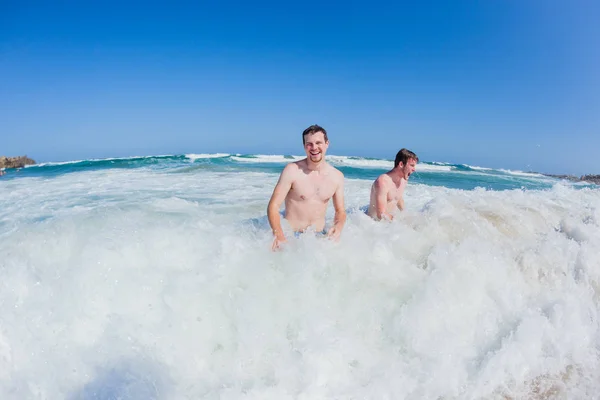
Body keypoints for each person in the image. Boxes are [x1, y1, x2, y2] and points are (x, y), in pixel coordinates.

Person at [267, 125, 346, 250]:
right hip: (291, 236)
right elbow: (273, 206)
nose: (314, 148)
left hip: (319, 236)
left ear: (327, 144)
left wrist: (338, 227)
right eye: (309, 144)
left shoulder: (337, 177)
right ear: (304, 146)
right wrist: (279, 236)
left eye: (318, 143)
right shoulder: (292, 170)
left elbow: (340, 211)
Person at [367, 148, 418, 221]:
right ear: (401, 164)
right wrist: (400, 222)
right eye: (412, 165)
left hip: (389, 223)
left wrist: (406, 215)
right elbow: (381, 215)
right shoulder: (382, 182)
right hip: (373, 224)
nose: (414, 169)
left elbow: (397, 197)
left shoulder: (403, 179)